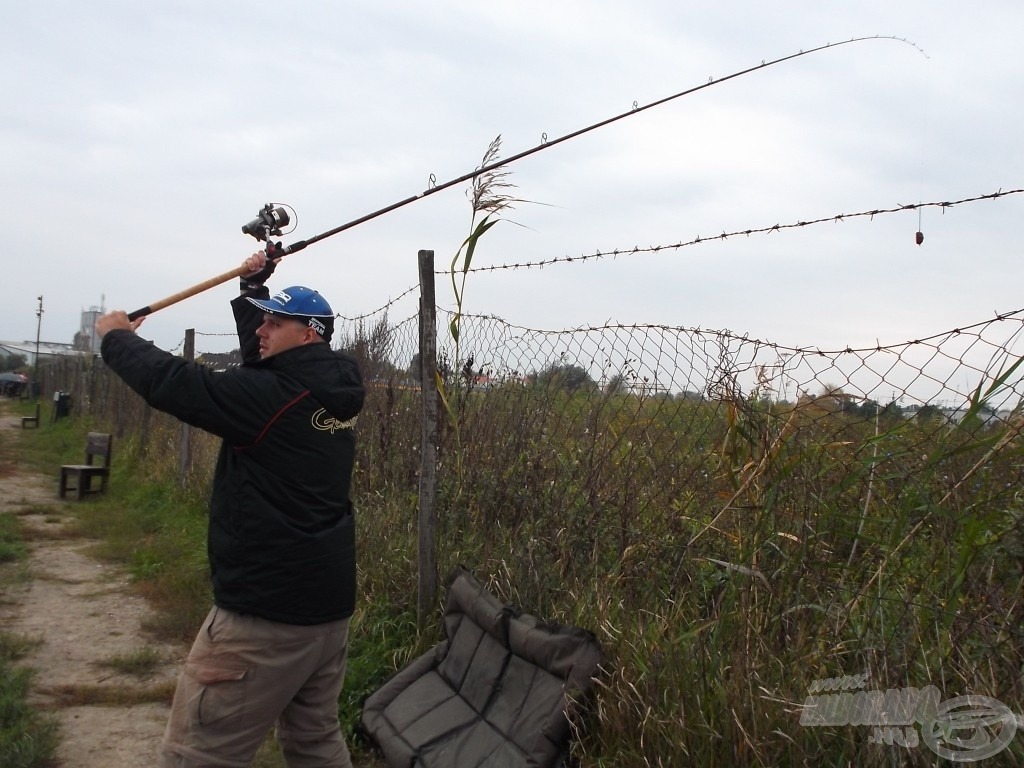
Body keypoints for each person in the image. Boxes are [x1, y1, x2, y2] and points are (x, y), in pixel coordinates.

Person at [96, 251, 364, 767]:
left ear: (309, 334)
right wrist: (252, 287)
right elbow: (265, 374)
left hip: (264, 617)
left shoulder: (269, 397)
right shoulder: (325, 391)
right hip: (325, 615)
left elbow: (177, 384)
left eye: (275, 321)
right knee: (316, 743)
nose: (263, 329)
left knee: (200, 751)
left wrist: (117, 338)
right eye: (262, 318)